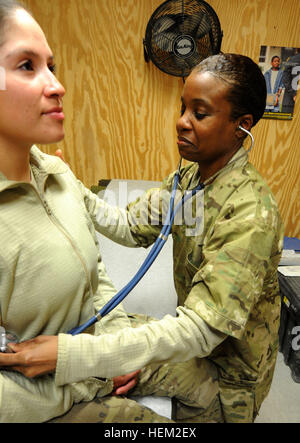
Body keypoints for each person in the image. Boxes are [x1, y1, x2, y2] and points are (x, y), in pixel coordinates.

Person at [1, 46, 285, 422]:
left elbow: (202, 329)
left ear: (241, 126)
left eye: (199, 114)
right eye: (183, 108)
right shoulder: (189, 180)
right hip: (196, 346)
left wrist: (73, 356)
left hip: (230, 370)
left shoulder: (249, 212)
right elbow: (129, 227)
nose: (182, 122)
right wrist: (70, 187)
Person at [0, 0, 182, 423]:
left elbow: (95, 277)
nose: (57, 84)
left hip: (94, 354)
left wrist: (117, 345)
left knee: (203, 373)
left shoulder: (56, 171)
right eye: (26, 65)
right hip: (50, 399)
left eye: (52, 65)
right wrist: (91, 372)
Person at [281, 50, 300, 114]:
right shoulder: (292, 59)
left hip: (289, 103)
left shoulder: (291, 59)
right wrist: (294, 94)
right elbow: (285, 78)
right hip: (290, 102)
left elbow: (285, 78)